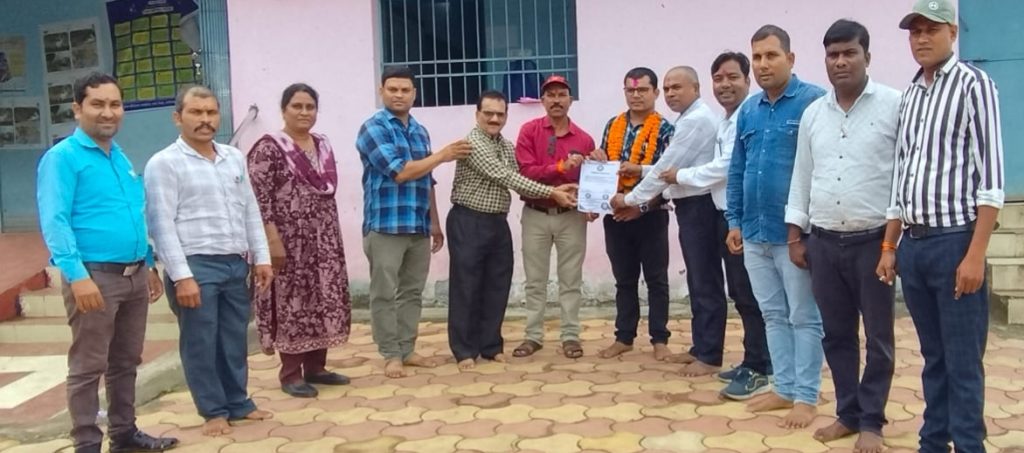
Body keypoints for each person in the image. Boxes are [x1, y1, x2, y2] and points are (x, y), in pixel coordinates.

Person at [882, 1, 1004, 451]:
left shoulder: (974, 85)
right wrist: (890, 246)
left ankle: (969, 444)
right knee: (933, 357)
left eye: (931, 30)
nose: (921, 39)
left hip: (955, 244)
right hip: (914, 247)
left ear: (952, 32)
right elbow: (902, 175)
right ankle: (933, 442)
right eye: (914, 31)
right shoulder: (911, 94)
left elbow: (991, 180)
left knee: (963, 361)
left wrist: (975, 255)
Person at [36, 72, 178, 453]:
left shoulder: (118, 156)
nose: (108, 112)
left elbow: (134, 212)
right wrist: (76, 276)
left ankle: (124, 434)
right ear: (77, 108)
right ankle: (86, 443)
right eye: (97, 104)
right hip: (94, 277)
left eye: (115, 104)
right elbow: (55, 221)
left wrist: (148, 263)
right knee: (88, 366)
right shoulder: (62, 158)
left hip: (134, 275)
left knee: (126, 361)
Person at [784, 20, 900, 453]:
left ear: (867, 56)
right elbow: (802, 176)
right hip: (824, 243)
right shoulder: (814, 113)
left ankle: (872, 421)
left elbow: (903, 180)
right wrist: (796, 236)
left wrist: (891, 244)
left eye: (849, 52)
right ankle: (848, 413)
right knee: (836, 334)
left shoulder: (894, 106)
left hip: (874, 243)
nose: (840, 62)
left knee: (879, 338)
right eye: (833, 54)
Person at [145, 86, 274, 436]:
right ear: (178, 117)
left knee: (233, 338)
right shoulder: (164, 163)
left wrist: (261, 257)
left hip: (234, 263)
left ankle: (239, 402)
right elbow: (161, 224)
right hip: (195, 265)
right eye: (196, 112)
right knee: (201, 342)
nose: (205, 120)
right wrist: (181, 276)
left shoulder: (233, 157)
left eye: (211, 113)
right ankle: (213, 410)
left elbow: (250, 210)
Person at [725, 25, 826, 428]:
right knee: (772, 314)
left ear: (791, 58)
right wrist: (734, 220)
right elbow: (738, 169)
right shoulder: (749, 110)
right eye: (757, 57)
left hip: (793, 235)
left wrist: (803, 228)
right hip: (753, 232)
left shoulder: (813, 101)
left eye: (771, 55)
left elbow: (822, 168)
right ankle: (783, 387)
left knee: (804, 316)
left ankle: (806, 395)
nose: (763, 64)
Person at [659, 52, 773, 400]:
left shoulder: (747, 117)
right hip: (726, 215)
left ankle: (761, 366)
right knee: (738, 290)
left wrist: (680, 176)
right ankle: (752, 360)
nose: (725, 85)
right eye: (719, 79)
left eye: (732, 77)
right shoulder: (726, 120)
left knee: (749, 294)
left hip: (744, 217)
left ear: (747, 80)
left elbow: (725, 166)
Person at [356, 66, 473, 378]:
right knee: (384, 293)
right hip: (385, 225)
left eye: (405, 90)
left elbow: (426, 179)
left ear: (414, 94)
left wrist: (434, 222)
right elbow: (400, 171)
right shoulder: (373, 128)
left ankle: (407, 349)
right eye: (392, 89)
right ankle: (390, 353)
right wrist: (443, 155)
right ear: (381, 91)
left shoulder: (420, 130)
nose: (399, 95)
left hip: (417, 226)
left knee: (411, 292)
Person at [448, 90, 577, 370]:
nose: (494, 119)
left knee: (497, 285)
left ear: (506, 115)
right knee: (466, 286)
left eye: (500, 114)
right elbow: (507, 177)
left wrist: (561, 178)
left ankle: (491, 346)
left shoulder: (506, 145)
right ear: (477, 114)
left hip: (497, 222)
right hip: (468, 221)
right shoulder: (472, 143)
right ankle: (464, 350)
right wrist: (553, 193)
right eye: (488, 113)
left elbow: (522, 174)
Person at [609, 66, 724, 377]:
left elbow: (667, 168)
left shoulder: (693, 121)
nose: (672, 93)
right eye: (669, 88)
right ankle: (701, 347)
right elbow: (666, 168)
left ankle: (709, 355)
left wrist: (630, 200)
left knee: (704, 282)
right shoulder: (686, 119)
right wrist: (639, 171)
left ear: (695, 88)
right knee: (698, 280)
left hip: (697, 207)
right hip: (688, 206)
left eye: (677, 87)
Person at [247, 83, 352, 399]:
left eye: (310, 107)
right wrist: (272, 241)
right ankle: (290, 373)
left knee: (322, 298)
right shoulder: (269, 148)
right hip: (288, 242)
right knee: (292, 302)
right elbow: (259, 199)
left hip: (324, 240)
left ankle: (316, 368)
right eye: (297, 106)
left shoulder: (322, 145)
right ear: (284, 110)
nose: (304, 112)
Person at [591, 67, 675, 361]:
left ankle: (660, 339)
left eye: (642, 90)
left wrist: (640, 207)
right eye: (631, 90)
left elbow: (666, 177)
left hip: (650, 215)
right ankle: (624, 337)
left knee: (656, 280)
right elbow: (605, 168)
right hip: (616, 215)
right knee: (624, 280)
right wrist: (597, 159)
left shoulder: (666, 130)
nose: (636, 95)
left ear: (656, 92)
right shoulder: (613, 125)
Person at [512, 75, 595, 359]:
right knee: (535, 281)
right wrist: (561, 167)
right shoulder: (529, 131)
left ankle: (570, 336)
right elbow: (525, 172)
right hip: (535, 213)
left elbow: (590, 181)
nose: (556, 100)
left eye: (562, 94)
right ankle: (533, 336)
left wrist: (592, 202)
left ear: (570, 100)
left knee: (570, 280)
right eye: (551, 95)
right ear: (542, 100)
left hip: (571, 216)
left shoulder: (584, 139)